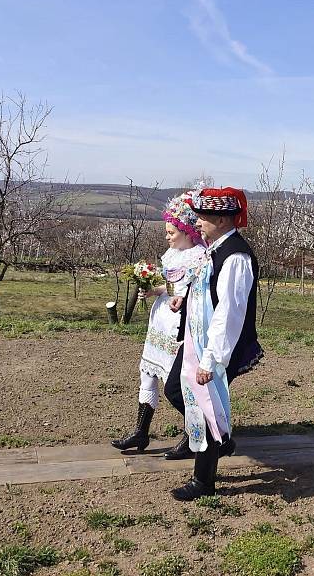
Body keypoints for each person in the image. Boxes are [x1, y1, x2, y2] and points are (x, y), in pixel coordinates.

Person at [169, 187, 263, 501]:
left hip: (217, 347)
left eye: (203, 216)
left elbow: (229, 311)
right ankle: (221, 438)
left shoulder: (235, 256)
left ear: (222, 220)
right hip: (200, 340)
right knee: (177, 392)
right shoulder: (215, 248)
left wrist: (211, 360)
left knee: (206, 406)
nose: (196, 222)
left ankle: (203, 481)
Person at [111, 192, 207, 451]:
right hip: (160, 320)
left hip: (179, 323)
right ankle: (141, 432)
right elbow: (169, 285)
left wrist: (171, 293)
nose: (167, 237)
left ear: (187, 231)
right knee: (147, 373)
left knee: (176, 383)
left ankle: (193, 434)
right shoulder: (173, 253)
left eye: (171, 232)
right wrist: (153, 290)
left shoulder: (198, 256)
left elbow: (190, 290)